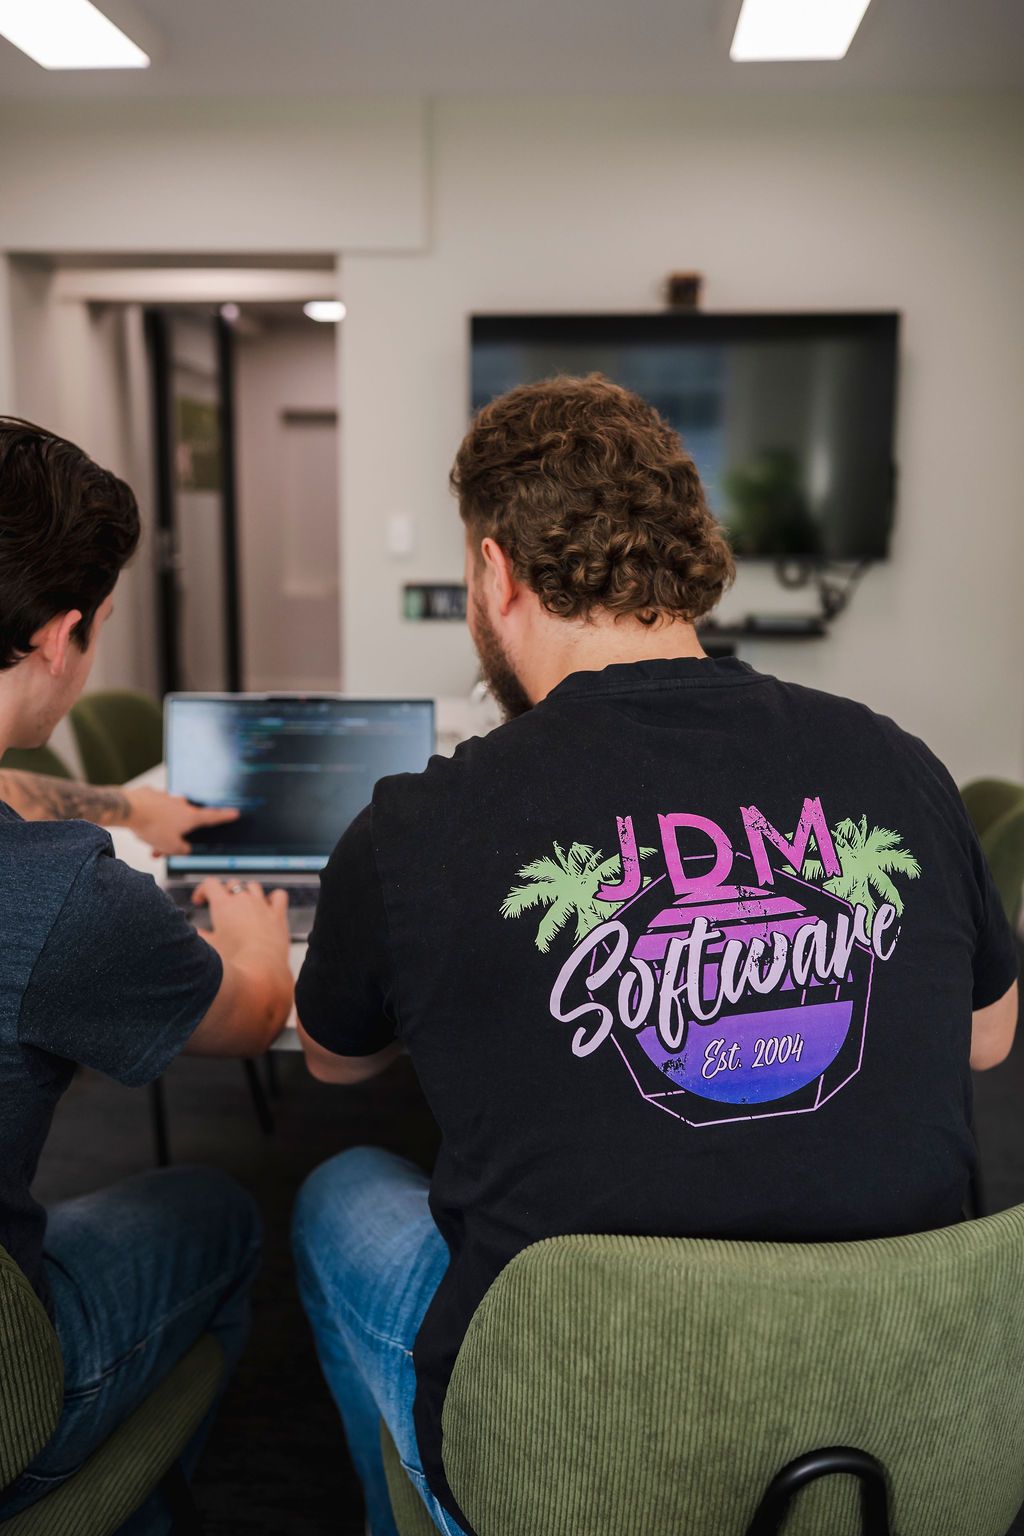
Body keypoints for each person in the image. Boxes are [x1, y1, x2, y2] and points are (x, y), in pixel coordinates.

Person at [290, 375, 1019, 1536]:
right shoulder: (897, 764)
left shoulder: (417, 827)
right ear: (688, 559)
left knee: (334, 1193)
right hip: (914, 1432)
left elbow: (334, 1063)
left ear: (495, 573)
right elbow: (987, 1034)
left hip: (569, 1460)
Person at [0, 418, 294, 1529]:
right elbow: (255, 1012)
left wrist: (124, 806)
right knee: (218, 1211)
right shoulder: (57, 894)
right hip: (5, 1405)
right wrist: (255, 939)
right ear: (60, 634)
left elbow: (20, 791)